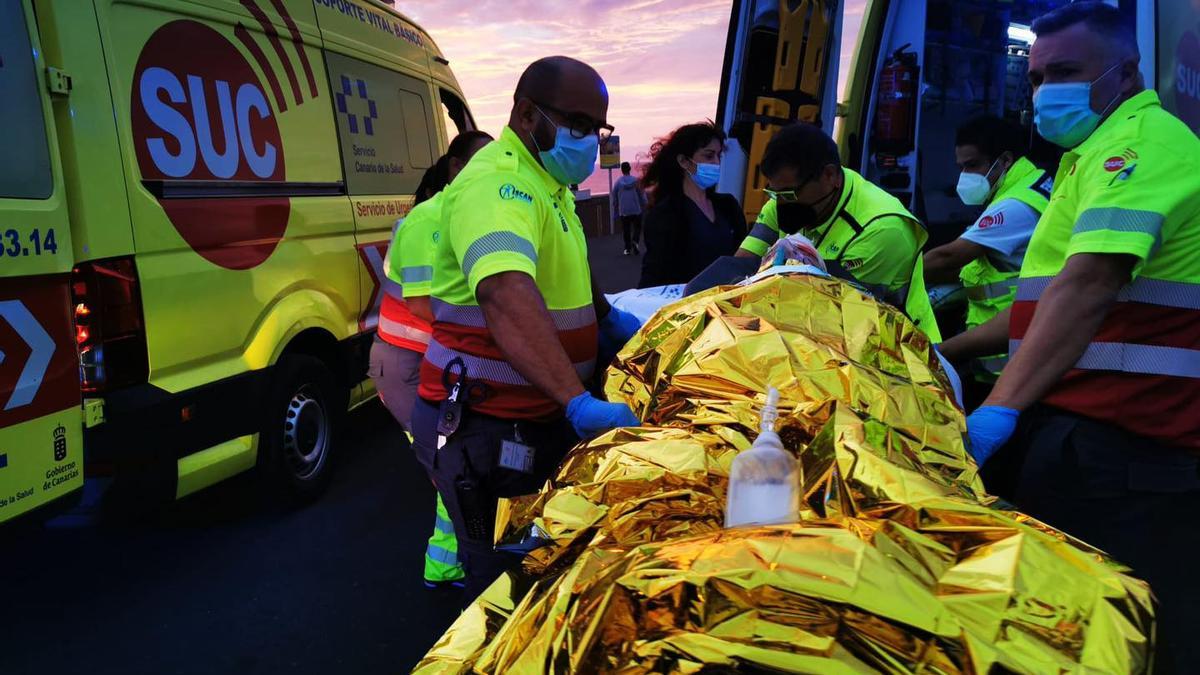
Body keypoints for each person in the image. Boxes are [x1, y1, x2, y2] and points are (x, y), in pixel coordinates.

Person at [942, 4, 1200, 671]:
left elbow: (1087, 286)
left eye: (1065, 72)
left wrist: (999, 407)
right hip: (1084, 434)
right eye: (1033, 77)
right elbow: (1040, 306)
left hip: (1130, 447)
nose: (1043, 91)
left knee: (1126, 633)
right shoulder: (1083, 161)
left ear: (1126, 71)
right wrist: (946, 351)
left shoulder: (1142, 146)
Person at [410, 56, 642, 601]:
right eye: (577, 124)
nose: (588, 139)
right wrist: (577, 402)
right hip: (487, 426)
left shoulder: (550, 188)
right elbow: (505, 290)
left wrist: (613, 325)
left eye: (597, 128)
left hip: (530, 420)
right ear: (525, 113)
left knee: (543, 562)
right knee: (507, 586)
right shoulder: (498, 185)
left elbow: (568, 288)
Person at [372, 130, 493, 589]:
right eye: (483, 162)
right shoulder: (428, 221)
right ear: (456, 169)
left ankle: (449, 563)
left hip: (435, 361)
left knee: (456, 465)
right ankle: (446, 567)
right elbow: (424, 306)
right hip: (406, 364)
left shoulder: (465, 215)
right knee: (453, 466)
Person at [736, 123, 941, 342]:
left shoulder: (883, 229)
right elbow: (741, 267)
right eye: (774, 192)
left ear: (830, 175)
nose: (780, 203)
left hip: (898, 351)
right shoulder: (783, 198)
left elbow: (830, 315)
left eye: (789, 194)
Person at [924, 116, 1053, 397]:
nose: (965, 177)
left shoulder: (1017, 205)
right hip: (1006, 360)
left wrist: (898, 275)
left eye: (972, 166)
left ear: (1005, 161)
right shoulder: (1028, 184)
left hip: (1010, 369)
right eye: (961, 168)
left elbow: (949, 257)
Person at [638, 122, 747, 287]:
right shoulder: (665, 214)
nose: (717, 163)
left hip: (728, 304)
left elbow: (743, 258)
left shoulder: (728, 205)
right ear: (684, 161)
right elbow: (654, 274)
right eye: (709, 156)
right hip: (689, 306)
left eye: (719, 156)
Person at [611, 161, 646, 255]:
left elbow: (614, 196)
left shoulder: (618, 182)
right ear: (629, 169)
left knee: (626, 229)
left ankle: (627, 248)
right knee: (637, 227)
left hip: (624, 210)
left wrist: (615, 208)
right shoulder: (636, 181)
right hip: (635, 209)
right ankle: (635, 241)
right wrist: (645, 204)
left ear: (622, 170)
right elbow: (642, 194)